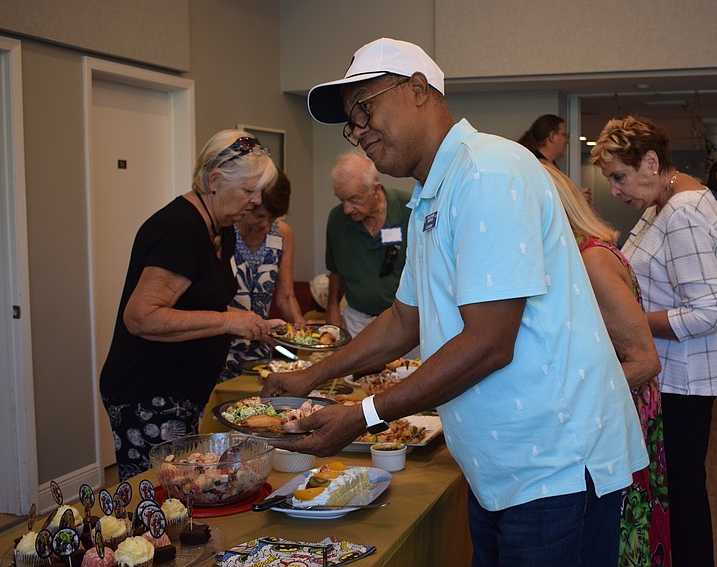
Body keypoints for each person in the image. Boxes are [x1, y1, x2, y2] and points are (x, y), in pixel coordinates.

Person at [264, 37, 648, 565]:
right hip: (501, 469)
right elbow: (404, 319)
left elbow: (490, 342)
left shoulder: (487, 170)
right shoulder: (431, 194)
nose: (359, 130)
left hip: (554, 466)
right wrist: (312, 375)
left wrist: (364, 414)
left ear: (419, 89)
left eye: (365, 108)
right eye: (351, 123)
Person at [590, 116, 717, 567]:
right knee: (680, 494)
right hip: (674, 375)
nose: (614, 190)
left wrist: (631, 322)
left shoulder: (682, 212)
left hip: (683, 380)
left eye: (619, 176)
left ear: (651, 162)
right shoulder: (666, 202)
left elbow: (707, 312)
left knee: (684, 497)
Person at [99, 129, 282, 481]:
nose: (257, 200)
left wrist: (248, 320)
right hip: (148, 393)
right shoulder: (180, 229)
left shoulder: (221, 226)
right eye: (249, 190)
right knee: (162, 494)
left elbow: (202, 303)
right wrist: (229, 323)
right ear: (215, 181)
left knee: (187, 490)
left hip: (182, 391)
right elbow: (141, 317)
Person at [542, 161, 670, 566]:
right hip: (606, 410)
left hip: (616, 414)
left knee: (617, 537)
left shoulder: (592, 261)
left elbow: (645, 362)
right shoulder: (573, 256)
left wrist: (562, 399)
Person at [219, 170, 306, 382]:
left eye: (273, 218)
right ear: (248, 204)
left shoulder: (282, 234)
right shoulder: (223, 232)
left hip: (261, 350)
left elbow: (286, 296)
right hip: (220, 347)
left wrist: (299, 324)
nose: (266, 225)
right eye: (260, 216)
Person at [325, 152, 411, 337]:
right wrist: (332, 307)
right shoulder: (337, 220)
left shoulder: (409, 210)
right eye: (342, 200)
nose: (347, 209)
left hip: (403, 320)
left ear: (375, 189)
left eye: (354, 199)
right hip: (357, 321)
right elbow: (335, 271)